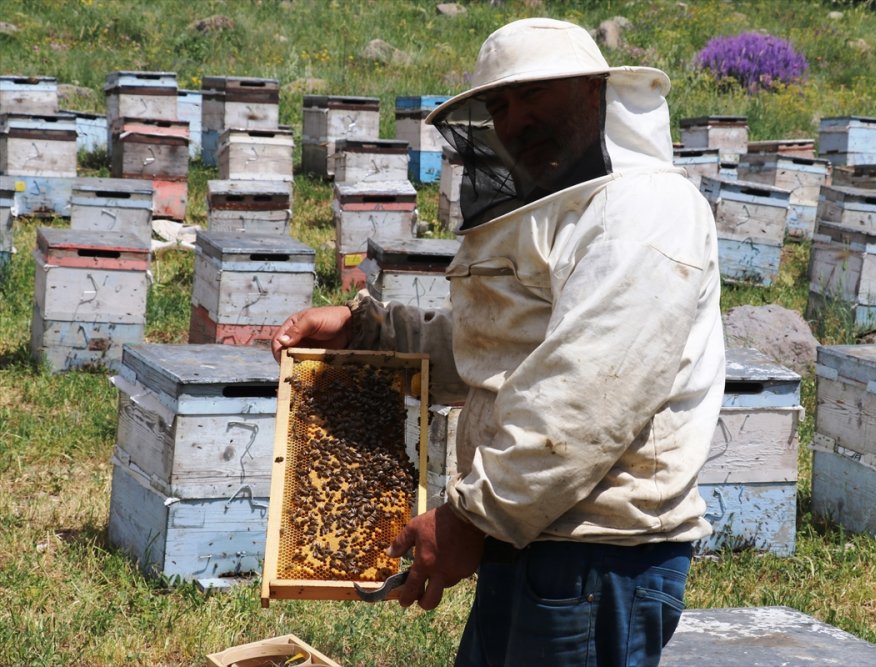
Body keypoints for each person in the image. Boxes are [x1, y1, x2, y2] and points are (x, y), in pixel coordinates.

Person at [272, 17, 725, 667]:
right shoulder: (559, 211)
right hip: (529, 535)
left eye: (535, 95)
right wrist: (370, 330)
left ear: (594, 92)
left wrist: (469, 517)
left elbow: (587, 394)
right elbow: (500, 349)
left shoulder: (644, 209)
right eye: (502, 106)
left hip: (598, 557)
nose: (516, 120)